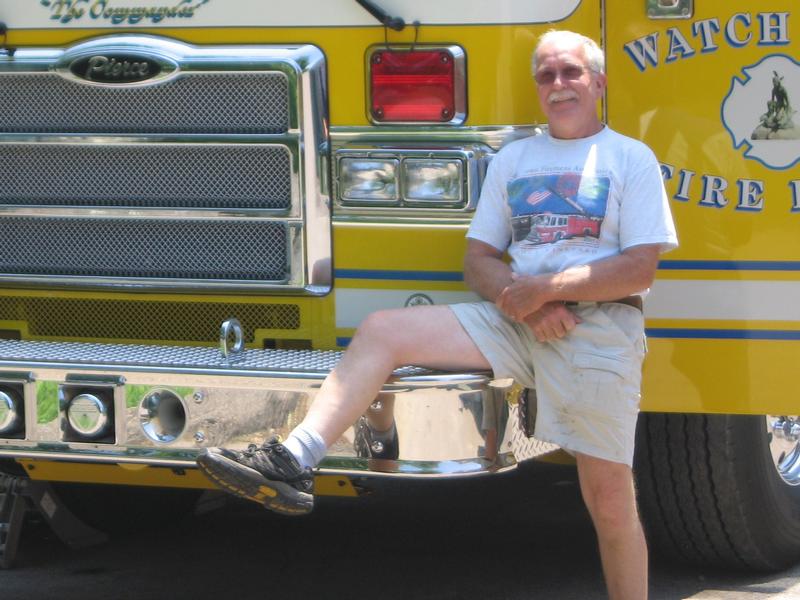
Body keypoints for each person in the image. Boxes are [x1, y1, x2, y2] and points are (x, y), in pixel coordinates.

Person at [198, 29, 677, 600]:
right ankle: (294, 460)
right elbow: (478, 261)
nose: (558, 85)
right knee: (382, 330)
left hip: (598, 327)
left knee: (608, 499)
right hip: (515, 318)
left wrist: (546, 290)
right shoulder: (516, 159)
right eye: (546, 75)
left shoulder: (630, 158)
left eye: (571, 72)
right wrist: (524, 304)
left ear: (597, 83)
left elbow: (639, 269)